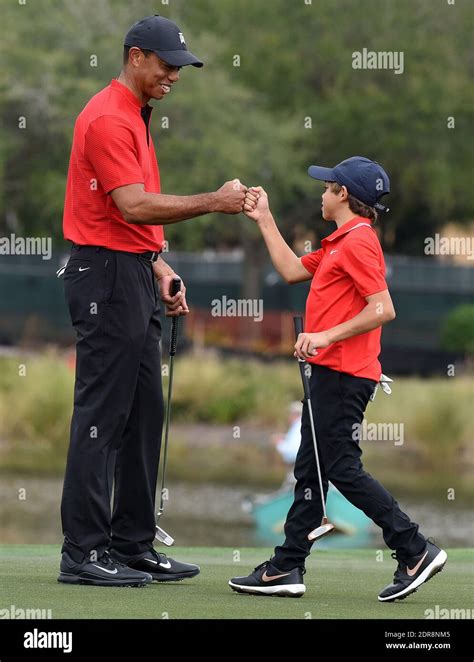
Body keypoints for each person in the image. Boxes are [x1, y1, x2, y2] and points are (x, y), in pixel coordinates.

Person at [59, 15, 247, 587]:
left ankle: (131, 544)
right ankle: (83, 553)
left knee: (144, 414)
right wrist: (215, 201)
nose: (174, 76)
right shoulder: (109, 118)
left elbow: (126, 221)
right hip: (105, 279)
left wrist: (157, 264)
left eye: (180, 67)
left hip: (131, 271)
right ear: (136, 56)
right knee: (102, 417)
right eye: (166, 65)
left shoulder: (137, 116)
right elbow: (134, 206)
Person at [229, 157, 447, 600]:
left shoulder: (360, 241)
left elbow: (382, 308)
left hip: (344, 376)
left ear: (343, 194)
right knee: (310, 472)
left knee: (341, 468)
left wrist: (323, 336)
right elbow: (291, 271)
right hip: (331, 374)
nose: (322, 193)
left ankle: (414, 547)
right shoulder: (338, 242)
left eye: (327, 187)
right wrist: (265, 218)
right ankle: (286, 567)